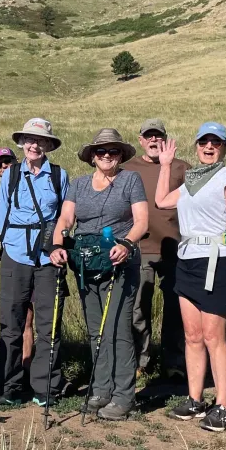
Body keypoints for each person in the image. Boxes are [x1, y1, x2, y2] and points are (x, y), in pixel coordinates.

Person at [154, 122, 226, 432]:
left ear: (224, 147)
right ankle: (195, 399)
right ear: (197, 146)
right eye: (203, 142)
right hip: (187, 260)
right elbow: (161, 201)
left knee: (214, 337)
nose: (209, 147)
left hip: (217, 261)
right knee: (192, 336)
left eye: (216, 142)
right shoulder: (190, 181)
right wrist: (165, 165)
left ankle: (224, 405)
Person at [50, 129, 149, 420]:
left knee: (118, 328)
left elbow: (142, 220)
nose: (107, 156)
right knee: (96, 329)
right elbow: (66, 219)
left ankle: (123, 396)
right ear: (92, 156)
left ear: (121, 155)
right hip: (86, 263)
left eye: (113, 151)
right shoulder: (78, 185)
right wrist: (57, 244)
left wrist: (127, 244)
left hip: (121, 262)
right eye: (101, 151)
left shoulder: (130, 179)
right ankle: (101, 389)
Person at [0, 119, 70, 406]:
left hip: (48, 256)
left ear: (49, 145)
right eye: (29, 139)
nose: (34, 144)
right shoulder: (11, 174)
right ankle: (8, 387)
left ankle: (45, 387)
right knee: (11, 324)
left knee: (48, 323)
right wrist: (8, 244)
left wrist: (57, 245)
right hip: (15, 254)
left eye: (40, 140)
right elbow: (2, 213)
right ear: (22, 143)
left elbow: (64, 216)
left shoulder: (58, 176)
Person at [120, 119, 188, 379]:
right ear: (140, 141)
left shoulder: (181, 167)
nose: (153, 141)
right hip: (139, 248)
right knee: (138, 308)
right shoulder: (127, 169)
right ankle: (141, 361)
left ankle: (174, 364)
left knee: (175, 309)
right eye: (148, 137)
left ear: (165, 139)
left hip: (175, 248)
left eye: (158, 137)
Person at [0, 148, 34, 368]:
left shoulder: (31, 185)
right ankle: (13, 368)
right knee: (15, 316)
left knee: (30, 317)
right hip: (12, 256)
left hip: (36, 255)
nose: (4, 167)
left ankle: (27, 366)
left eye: (8, 162)